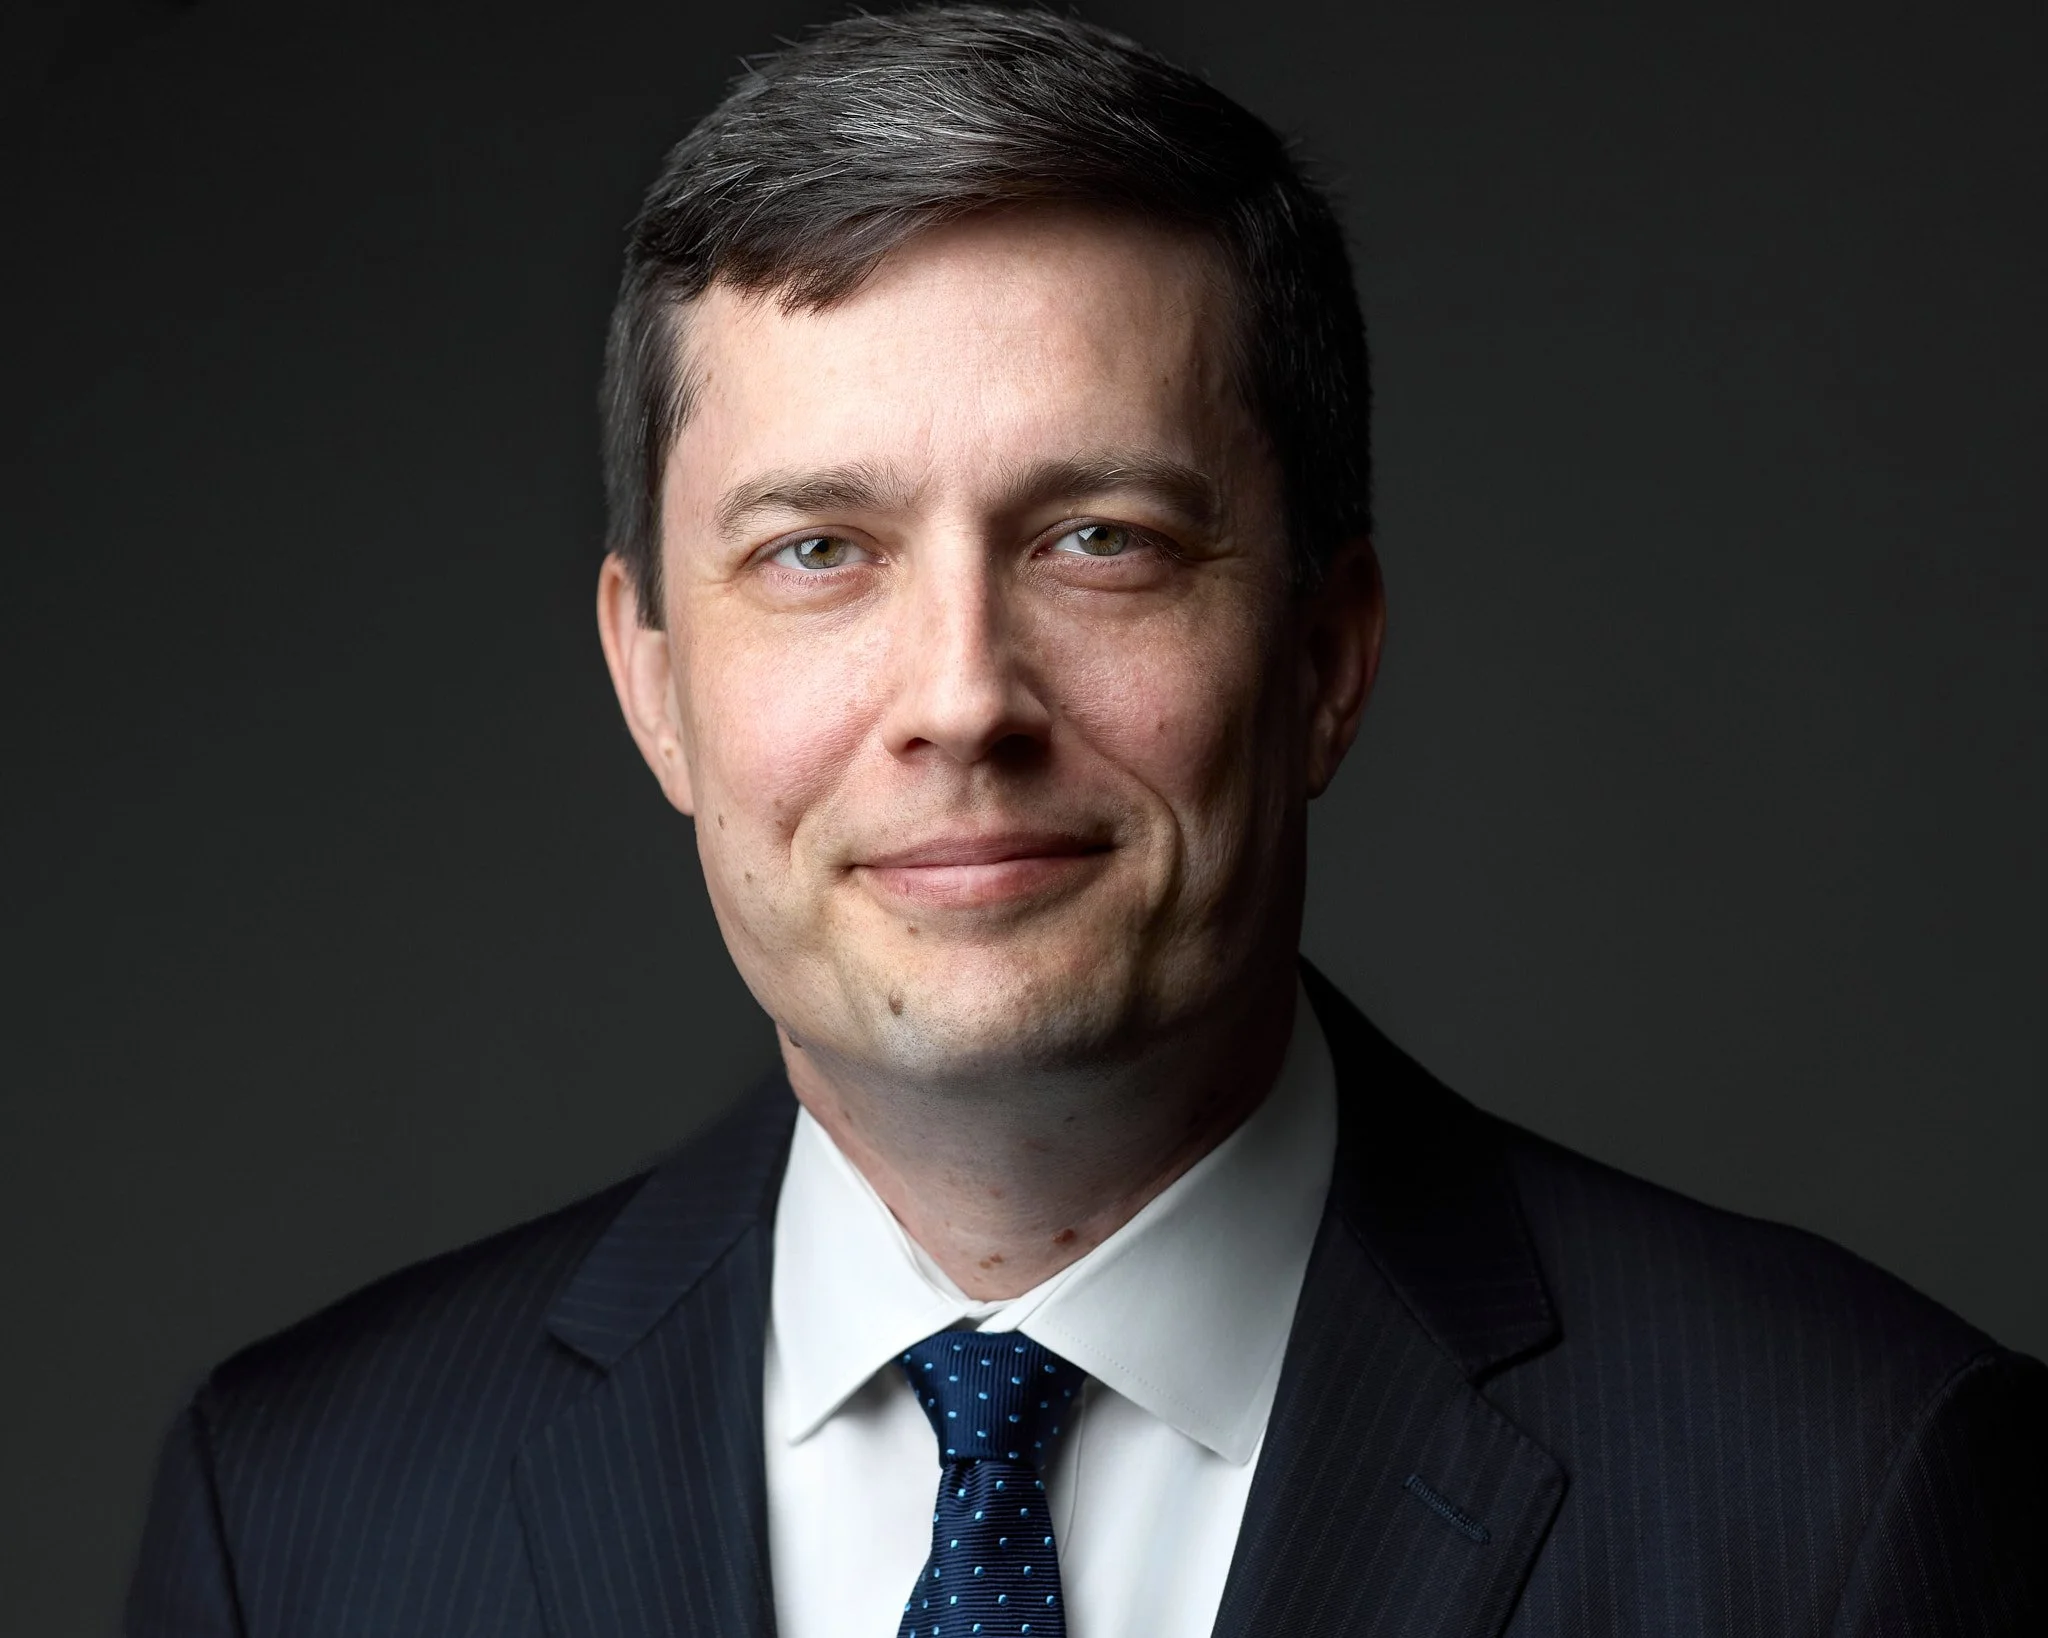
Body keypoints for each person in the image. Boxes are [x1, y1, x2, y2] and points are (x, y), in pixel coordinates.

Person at [126, 8, 2045, 1635]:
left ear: (1327, 655)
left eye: (1099, 539)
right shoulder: (292, 1516)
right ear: (653, 680)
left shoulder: (1854, 1489)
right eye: (818, 550)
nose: (964, 698)